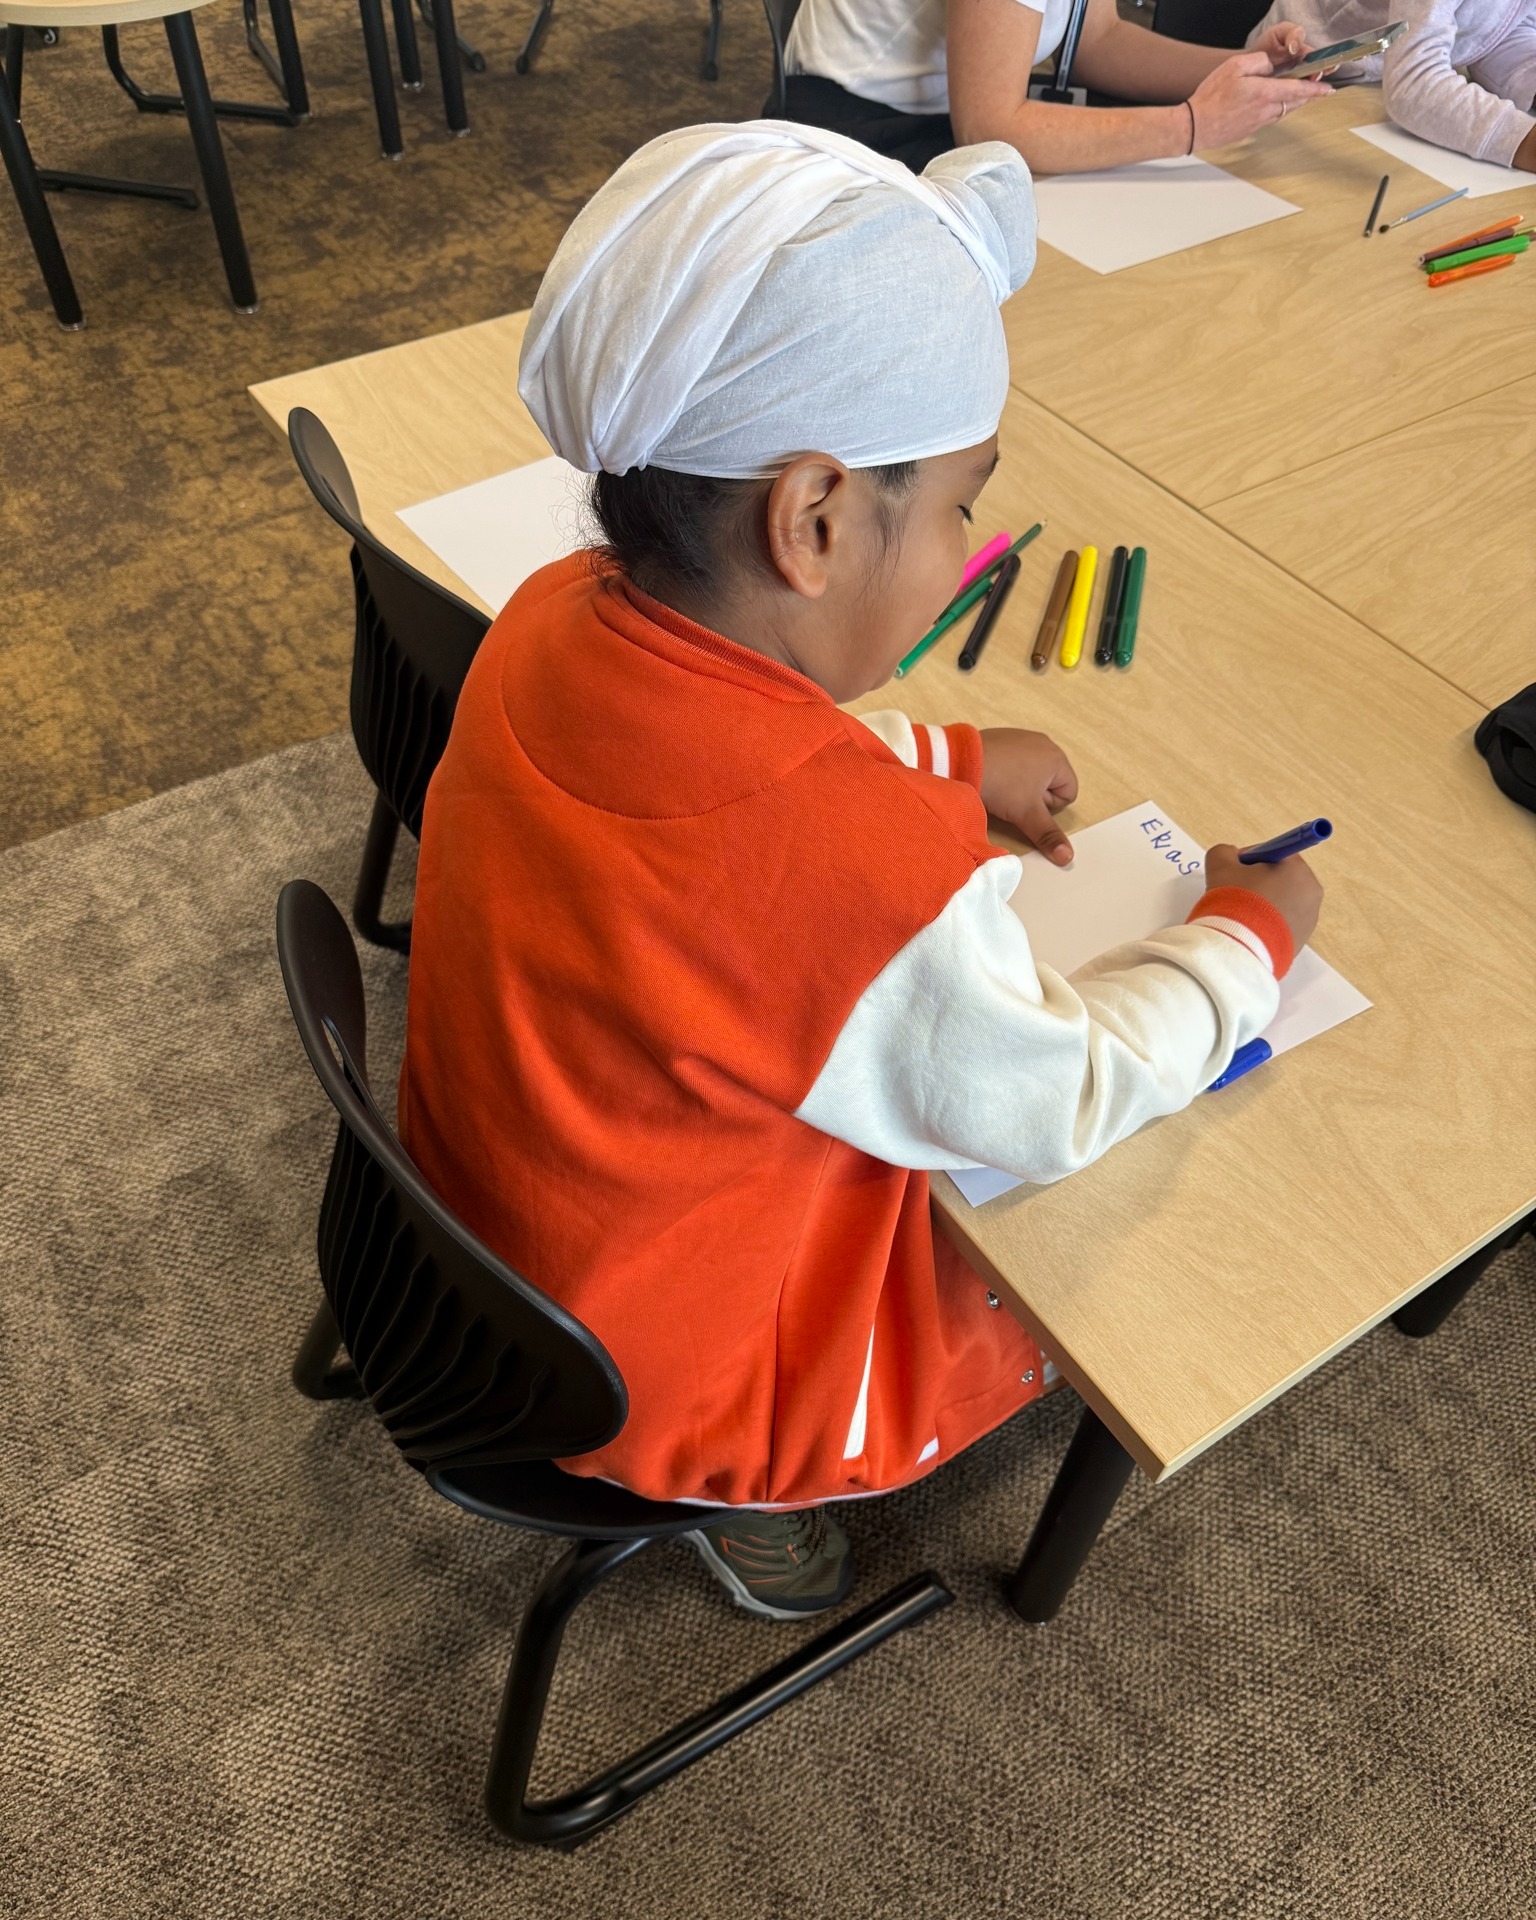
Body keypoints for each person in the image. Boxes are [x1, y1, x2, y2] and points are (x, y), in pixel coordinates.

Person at [398, 122, 1323, 1622]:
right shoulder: (863, 886)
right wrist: (1243, 938)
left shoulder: (554, 615)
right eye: (965, 502)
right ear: (814, 519)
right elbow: (1059, 1094)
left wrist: (949, 766)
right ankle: (736, 1488)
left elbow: (718, 785)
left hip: (495, 1222)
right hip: (651, 1363)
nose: (970, 544)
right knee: (1066, 1266)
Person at [781, 0, 1331, 173]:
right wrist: (1194, 124)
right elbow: (989, 126)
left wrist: (1249, 66)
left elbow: (1099, 41)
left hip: (939, 129)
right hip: (855, 145)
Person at [1247, 0, 1536, 167]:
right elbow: (1414, 84)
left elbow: (1495, 27)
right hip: (1294, 77)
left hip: (1375, 85)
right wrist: (1521, 141)